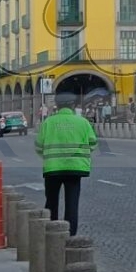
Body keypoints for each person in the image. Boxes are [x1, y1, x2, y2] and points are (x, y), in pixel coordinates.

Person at [35, 95, 99, 237]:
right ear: (73, 106)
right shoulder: (82, 122)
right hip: (75, 168)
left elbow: (39, 146)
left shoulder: (48, 122)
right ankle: (70, 235)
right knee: (72, 204)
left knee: (51, 202)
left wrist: (49, 157)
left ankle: (51, 234)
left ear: (57, 106)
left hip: (52, 168)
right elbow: (93, 143)